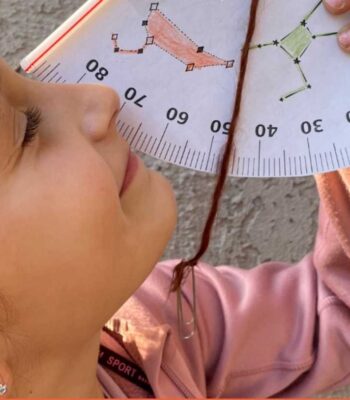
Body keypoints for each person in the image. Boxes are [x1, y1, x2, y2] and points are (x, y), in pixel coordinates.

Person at [0, 0, 350, 397]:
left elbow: (335, 307)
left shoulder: (159, 326)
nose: (101, 97)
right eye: (26, 130)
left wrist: (341, 103)